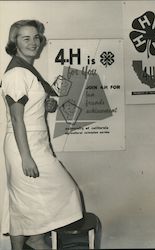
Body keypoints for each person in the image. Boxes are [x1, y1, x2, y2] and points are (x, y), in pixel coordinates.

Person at [1, 20, 83, 250]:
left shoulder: (28, 71)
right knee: (68, 192)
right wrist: (26, 157)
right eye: (25, 38)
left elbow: (30, 105)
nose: (33, 42)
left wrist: (45, 104)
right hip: (23, 144)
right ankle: (36, 239)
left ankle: (30, 241)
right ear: (14, 42)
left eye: (36, 37)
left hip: (35, 140)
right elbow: (16, 118)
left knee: (22, 203)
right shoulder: (17, 73)